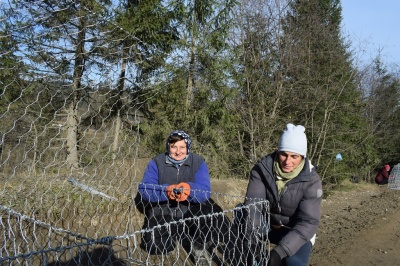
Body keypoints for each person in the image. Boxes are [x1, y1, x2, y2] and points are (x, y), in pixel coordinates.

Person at [238, 123, 323, 266]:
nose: (287, 161)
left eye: (294, 156)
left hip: (295, 230)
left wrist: (280, 252)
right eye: (284, 154)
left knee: (292, 262)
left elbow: (309, 222)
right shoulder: (262, 170)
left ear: (302, 156)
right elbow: (253, 207)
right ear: (278, 151)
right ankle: (256, 255)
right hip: (268, 225)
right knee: (241, 212)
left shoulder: (312, 180)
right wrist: (253, 244)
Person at [136, 130, 223, 258]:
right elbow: (145, 189)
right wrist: (166, 191)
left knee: (210, 217)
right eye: (174, 147)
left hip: (191, 206)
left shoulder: (198, 162)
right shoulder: (156, 162)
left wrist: (189, 190)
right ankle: (172, 234)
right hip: (164, 207)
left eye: (182, 147)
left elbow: (205, 190)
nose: (178, 151)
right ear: (168, 147)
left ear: (188, 147)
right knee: (156, 246)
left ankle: (198, 246)